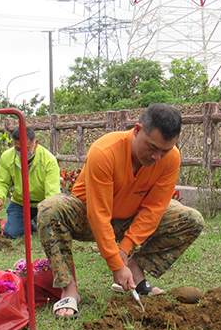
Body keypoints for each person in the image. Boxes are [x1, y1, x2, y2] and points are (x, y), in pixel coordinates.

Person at [38, 103, 205, 318]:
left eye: (164, 151)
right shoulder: (105, 151)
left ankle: (135, 270)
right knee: (50, 210)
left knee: (190, 219)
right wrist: (116, 264)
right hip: (87, 215)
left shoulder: (170, 158)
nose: (157, 157)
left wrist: (124, 252)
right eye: (152, 147)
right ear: (137, 130)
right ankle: (69, 289)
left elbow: (154, 209)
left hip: (130, 216)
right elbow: (98, 215)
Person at [0, 126, 61, 238]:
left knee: (50, 233)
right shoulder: (7, 157)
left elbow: (52, 194)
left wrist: (47, 213)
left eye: (26, 148)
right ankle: (31, 223)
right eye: (18, 149)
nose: (22, 152)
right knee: (11, 233)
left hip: (42, 204)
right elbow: (1, 182)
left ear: (36, 143)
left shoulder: (49, 160)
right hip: (20, 203)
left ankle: (35, 221)